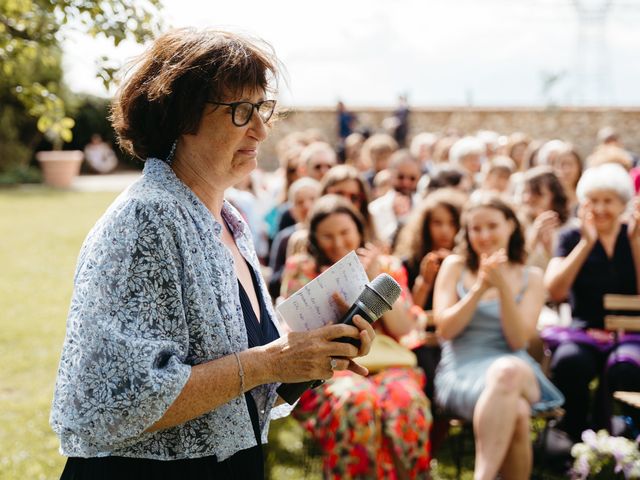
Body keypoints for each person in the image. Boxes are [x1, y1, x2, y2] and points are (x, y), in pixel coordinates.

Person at [49, 28, 375, 480]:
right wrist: (273, 361)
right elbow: (111, 402)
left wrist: (311, 358)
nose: (262, 129)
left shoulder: (229, 220)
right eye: (241, 111)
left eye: (263, 108)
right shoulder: (147, 219)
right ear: (180, 116)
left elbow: (239, 391)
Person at [280, 194, 432, 479]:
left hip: (387, 364)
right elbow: (294, 327)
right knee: (356, 402)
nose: (337, 243)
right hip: (329, 368)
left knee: (404, 401)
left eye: (344, 233)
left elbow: (403, 328)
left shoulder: (386, 265)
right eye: (327, 236)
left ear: (359, 231)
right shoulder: (302, 267)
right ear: (314, 238)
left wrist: (372, 277)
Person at [433, 191, 564, 480]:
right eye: (476, 228)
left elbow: (518, 341)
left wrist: (503, 287)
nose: (484, 235)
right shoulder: (454, 267)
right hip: (462, 371)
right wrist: (479, 289)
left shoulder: (532, 277)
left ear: (511, 226)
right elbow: (445, 330)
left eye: (492, 226)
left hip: (514, 366)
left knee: (507, 372)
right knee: (516, 411)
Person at [544, 163, 640, 442]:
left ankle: (618, 437)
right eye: (593, 200)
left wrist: (636, 243)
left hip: (631, 334)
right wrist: (586, 244)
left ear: (622, 203)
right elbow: (556, 291)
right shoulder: (571, 236)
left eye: (607, 201)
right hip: (584, 331)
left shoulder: (633, 234)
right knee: (570, 362)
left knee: (626, 368)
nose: (599, 209)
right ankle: (573, 434)